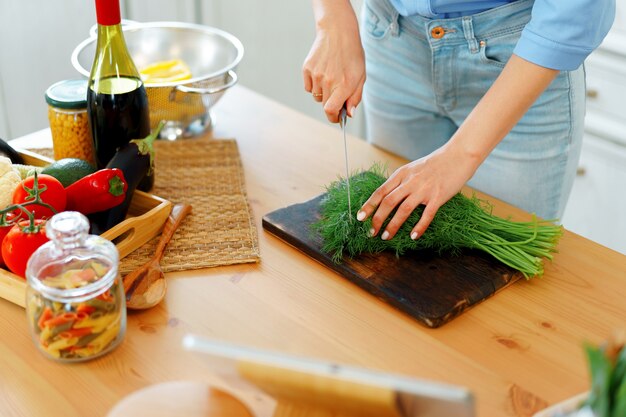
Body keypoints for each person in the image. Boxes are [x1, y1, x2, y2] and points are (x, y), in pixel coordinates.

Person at [302, 0, 615, 242]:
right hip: (392, 35)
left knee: (507, 280)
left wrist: (463, 153)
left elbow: (578, 8)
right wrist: (332, 19)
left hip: (520, 57)